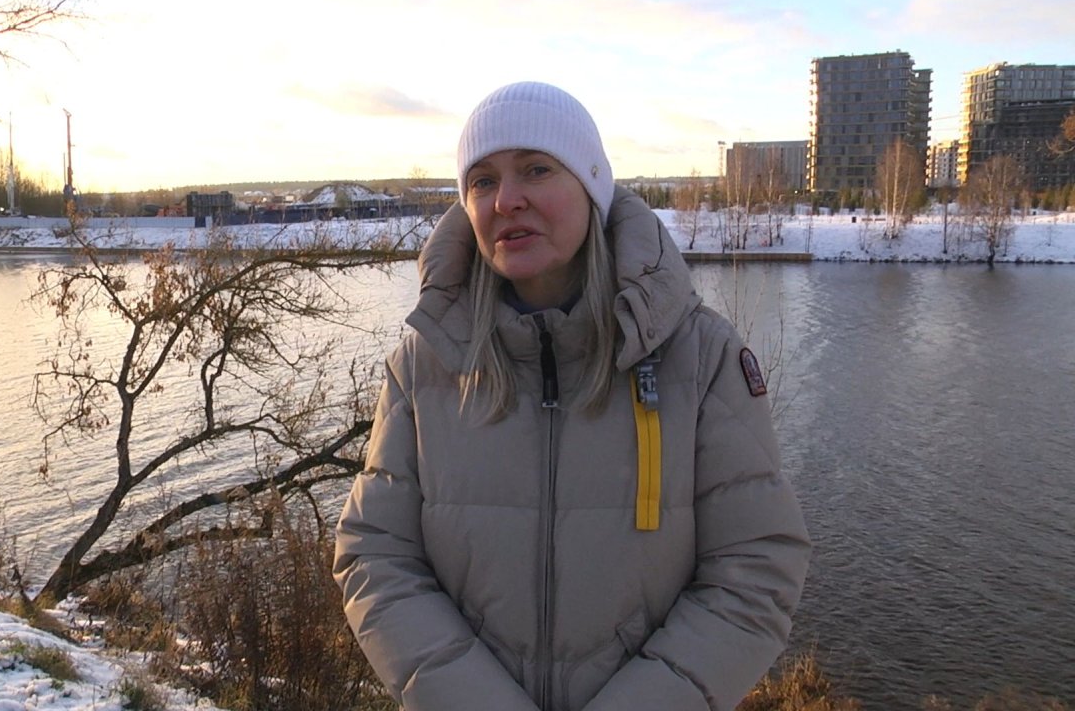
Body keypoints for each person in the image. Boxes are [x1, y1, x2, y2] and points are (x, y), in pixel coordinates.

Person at [333, 81, 811, 711]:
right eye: (482, 180)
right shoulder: (425, 364)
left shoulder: (700, 356)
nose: (506, 200)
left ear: (592, 187)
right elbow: (376, 555)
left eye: (536, 169)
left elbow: (755, 569)